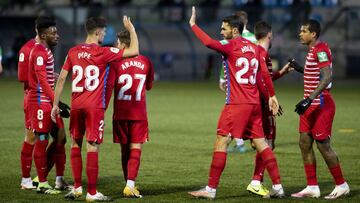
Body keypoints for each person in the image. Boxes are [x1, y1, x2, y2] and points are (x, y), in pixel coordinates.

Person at [187, 6, 284, 199]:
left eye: (224, 29)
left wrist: (193, 25)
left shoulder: (231, 46)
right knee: (262, 144)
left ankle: (210, 189)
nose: (221, 32)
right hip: (255, 104)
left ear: (235, 30)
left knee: (221, 141)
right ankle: (278, 187)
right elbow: (263, 74)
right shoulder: (256, 49)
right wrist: (272, 96)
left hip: (237, 104)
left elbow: (207, 42)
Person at [51, 16, 139, 201]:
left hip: (76, 106)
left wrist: (55, 105)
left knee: (75, 144)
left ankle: (76, 188)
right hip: (94, 107)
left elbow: (60, 79)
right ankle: (91, 193)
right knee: (92, 147)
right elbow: (134, 50)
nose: (105, 35)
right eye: (104, 32)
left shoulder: (73, 51)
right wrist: (131, 29)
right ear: (98, 32)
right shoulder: (103, 52)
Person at [290, 19, 350, 199]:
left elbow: (327, 77)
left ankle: (342, 185)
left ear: (313, 34)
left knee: (323, 145)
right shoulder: (313, 50)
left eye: (304, 31)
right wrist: (298, 67)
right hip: (310, 104)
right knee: (304, 143)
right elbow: (314, 73)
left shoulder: (321, 49)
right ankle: (312, 187)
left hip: (321, 103)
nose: (300, 33)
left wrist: (309, 99)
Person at [18, 17, 70, 192]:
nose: (57, 35)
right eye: (53, 32)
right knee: (39, 139)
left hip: (47, 101)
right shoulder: (37, 52)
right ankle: (40, 182)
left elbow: (43, 77)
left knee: (61, 137)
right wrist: (58, 102)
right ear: (42, 34)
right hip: (40, 101)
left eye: (56, 32)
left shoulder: (45, 51)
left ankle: (57, 179)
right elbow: (38, 81)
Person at [105, 30, 154, 198]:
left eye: (117, 43)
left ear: (124, 44)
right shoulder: (146, 62)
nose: (115, 46)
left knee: (124, 151)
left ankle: (129, 183)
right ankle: (130, 185)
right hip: (139, 114)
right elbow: (148, 86)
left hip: (120, 114)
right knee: (136, 149)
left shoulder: (115, 63)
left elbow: (108, 88)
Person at [246, 21, 293, 196]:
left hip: (257, 102)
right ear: (270, 34)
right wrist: (270, 100)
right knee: (267, 143)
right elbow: (260, 81)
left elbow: (264, 78)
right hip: (261, 104)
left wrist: (281, 72)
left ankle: (257, 181)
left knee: (264, 142)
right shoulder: (261, 52)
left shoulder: (255, 50)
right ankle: (257, 181)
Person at [220, 10, 256, 153]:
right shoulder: (253, 39)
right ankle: (258, 140)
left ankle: (241, 142)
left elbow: (226, 56)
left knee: (235, 113)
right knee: (252, 113)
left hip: (238, 82)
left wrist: (222, 77)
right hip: (252, 82)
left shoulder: (232, 41)